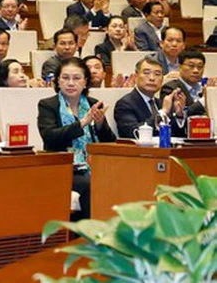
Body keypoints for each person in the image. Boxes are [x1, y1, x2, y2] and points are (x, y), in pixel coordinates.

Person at [37, 57, 115, 220]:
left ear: (85, 82)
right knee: (88, 183)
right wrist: (83, 122)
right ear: (58, 81)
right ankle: (88, 232)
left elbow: (109, 143)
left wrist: (100, 124)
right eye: (65, 78)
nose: (71, 83)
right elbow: (50, 137)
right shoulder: (48, 105)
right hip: (63, 168)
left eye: (77, 78)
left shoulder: (94, 104)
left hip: (94, 165)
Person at [113, 57, 188, 141]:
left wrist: (179, 115)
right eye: (146, 73)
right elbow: (133, 133)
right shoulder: (125, 104)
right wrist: (162, 112)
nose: (152, 78)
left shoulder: (160, 103)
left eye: (157, 74)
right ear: (136, 76)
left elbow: (175, 136)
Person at [161, 51, 208, 117]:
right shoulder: (171, 88)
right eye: (191, 66)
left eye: (200, 67)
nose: (196, 71)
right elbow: (176, 116)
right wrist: (204, 101)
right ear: (180, 66)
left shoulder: (204, 88)